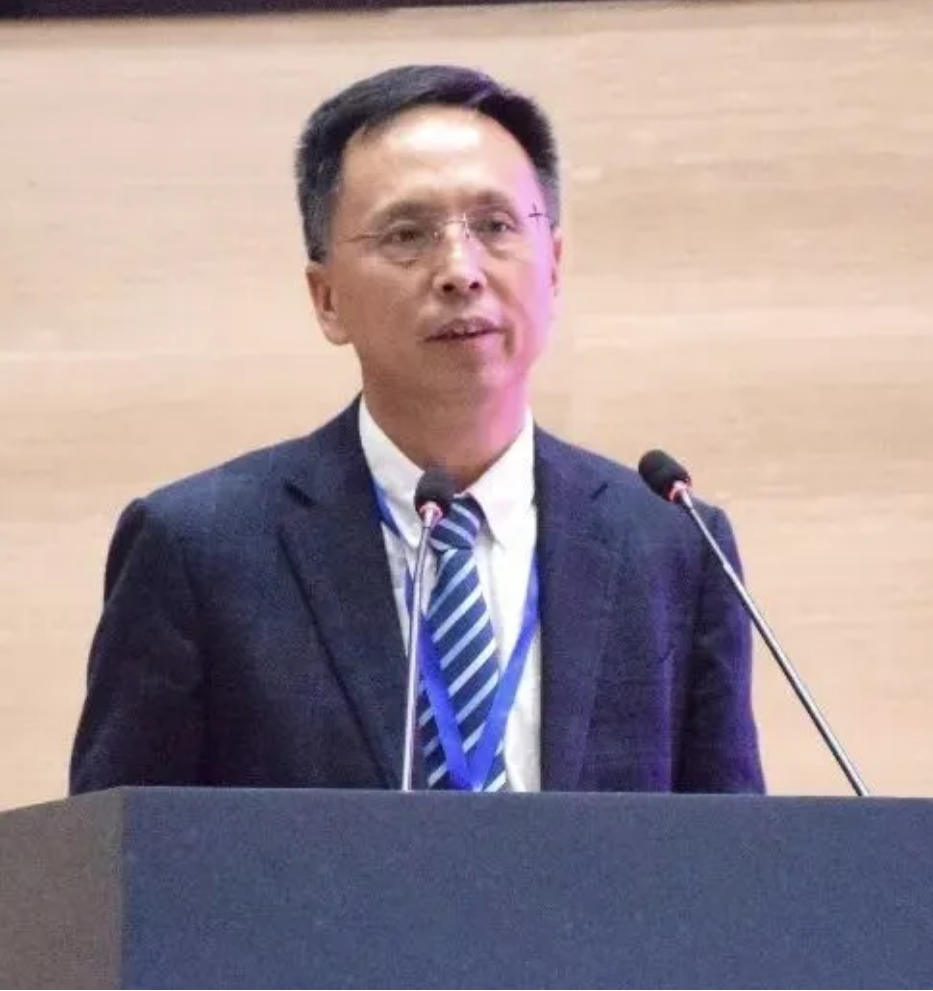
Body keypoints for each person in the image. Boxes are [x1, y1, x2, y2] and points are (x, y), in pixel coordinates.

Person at [68, 64, 765, 795]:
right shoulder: (199, 549)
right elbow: (118, 848)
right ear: (326, 298)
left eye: (495, 226)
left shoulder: (672, 545)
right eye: (407, 234)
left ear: (554, 266)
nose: (460, 271)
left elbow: (729, 847)